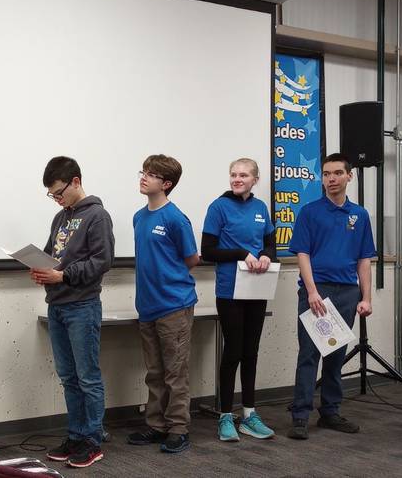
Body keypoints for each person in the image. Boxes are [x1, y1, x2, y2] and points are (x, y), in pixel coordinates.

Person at [30, 156, 115, 469]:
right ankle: (76, 435)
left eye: (59, 192)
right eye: (52, 195)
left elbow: (102, 261)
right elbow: (52, 255)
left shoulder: (97, 216)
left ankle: (93, 440)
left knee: (88, 377)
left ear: (76, 181)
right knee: (69, 378)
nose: (57, 199)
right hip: (58, 306)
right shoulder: (60, 218)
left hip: (82, 305)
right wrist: (40, 269)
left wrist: (63, 276)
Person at [287, 153, 375, 440]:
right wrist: (311, 292)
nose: (331, 179)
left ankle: (330, 412)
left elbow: (364, 259)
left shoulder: (359, 215)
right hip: (318, 290)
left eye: (337, 173)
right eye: (326, 174)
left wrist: (367, 297)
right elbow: (303, 254)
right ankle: (300, 415)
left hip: (348, 292)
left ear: (350, 176)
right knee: (309, 354)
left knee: (336, 354)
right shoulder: (310, 211)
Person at [127, 155, 199, 454]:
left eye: (152, 174)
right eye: (143, 171)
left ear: (166, 184)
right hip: (148, 306)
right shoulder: (139, 216)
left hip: (174, 306)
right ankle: (155, 425)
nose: (144, 177)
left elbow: (191, 259)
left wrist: (171, 281)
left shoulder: (175, 218)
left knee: (175, 373)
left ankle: (178, 428)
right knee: (154, 372)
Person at [201, 158, 276, 442]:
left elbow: (270, 243)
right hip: (230, 290)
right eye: (233, 174)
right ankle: (225, 416)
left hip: (256, 288)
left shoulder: (260, 208)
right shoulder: (218, 207)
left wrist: (268, 254)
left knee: (251, 351)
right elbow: (208, 251)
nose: (237, 179)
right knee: (232, 350)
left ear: (255, 179)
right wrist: (241, 253)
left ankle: (249, 414)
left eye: (243, 175)